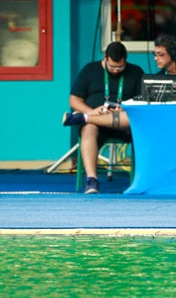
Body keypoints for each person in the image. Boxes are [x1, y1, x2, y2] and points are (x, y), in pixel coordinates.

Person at [61, 42, 144, 194]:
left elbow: (143, 104)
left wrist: (125, 107)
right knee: (88, 129)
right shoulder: (90, 69)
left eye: (120, 67)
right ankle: (92, 181)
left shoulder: (137, 72)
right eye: (112, 67)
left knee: (131, 118)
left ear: (126, 60)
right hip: (96, 120)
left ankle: (83, 118)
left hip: (124, 124)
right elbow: (74, 100)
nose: (116, 71)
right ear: (105, 58)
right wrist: (91, 111)